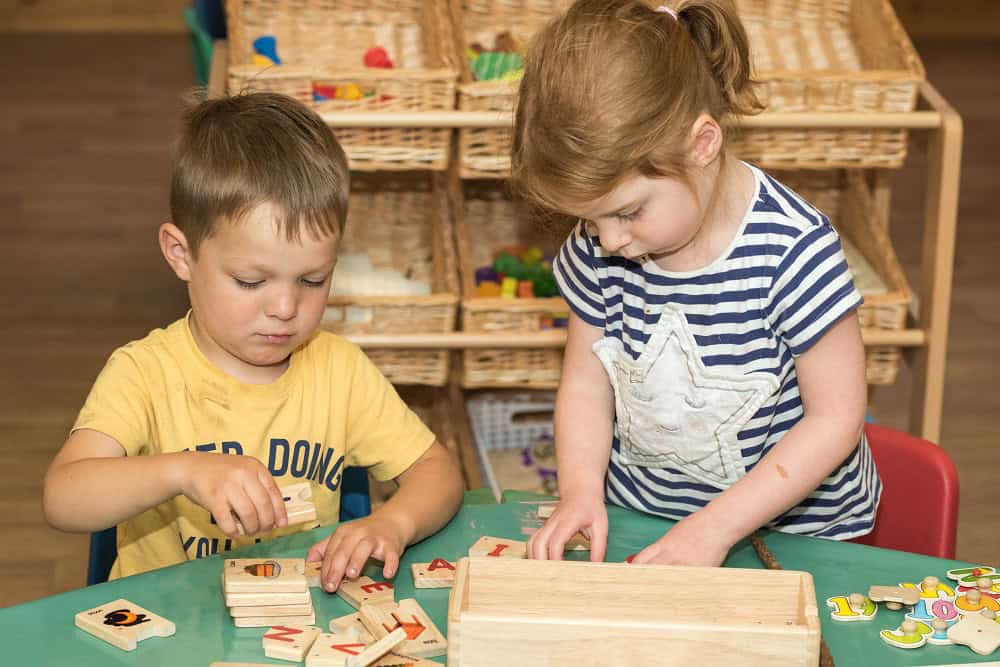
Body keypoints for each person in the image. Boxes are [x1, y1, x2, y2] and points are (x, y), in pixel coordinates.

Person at [42, 92, 464, 590]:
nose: (285, 308)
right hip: (169, 627)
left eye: (312, 280)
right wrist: (182, 472)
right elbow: (62, 497)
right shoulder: (145, 373)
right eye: (250, 281)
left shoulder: (339, 370)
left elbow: (439, 472)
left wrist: (393, 522)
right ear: (181, 254)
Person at [511, 0, 879, 566]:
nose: (607, 241)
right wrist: (582, 491)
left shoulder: (792, 251)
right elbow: (586, 387)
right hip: (644, 520)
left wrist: (714, 529)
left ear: (702, 144)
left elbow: (836, 420)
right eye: (589, 219)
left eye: (629, 212)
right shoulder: (601, 246)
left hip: (796, 537)